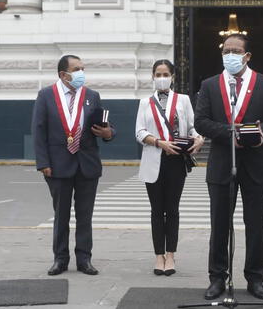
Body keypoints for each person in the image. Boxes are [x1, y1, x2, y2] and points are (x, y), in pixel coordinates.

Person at [194, 34, 263, 300]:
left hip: (257, 164)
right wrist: (228, 133)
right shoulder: (210, 85)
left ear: (247, 56)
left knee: (256, 225)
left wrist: (261, 131)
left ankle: (255, 278)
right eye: (226, 50)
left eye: (236, 50)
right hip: (223, 164)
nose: (230, 54)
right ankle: (217, 278)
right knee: (219, 224)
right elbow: (201, 121)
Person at [32, 54, 115, 276]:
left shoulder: (92, 96)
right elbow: (39, 131)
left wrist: (108, 133)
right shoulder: (46, 95)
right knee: (61, 215)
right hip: (57, 166)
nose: (81, 73)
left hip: (87, 165)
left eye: (83, 68)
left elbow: (106, 126)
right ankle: (60, 259)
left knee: (85, 215)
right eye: (76, 69)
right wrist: (43, 162)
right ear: (63, 74)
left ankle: (84, 259)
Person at [135, 59, 204, 276]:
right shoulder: (145, 103)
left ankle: (171, 255)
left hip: (176, 162)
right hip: (153, 161)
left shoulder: (183, 100)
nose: (162, 77)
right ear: (153, 76)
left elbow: (193, 128)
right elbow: (139, 132)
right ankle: (158, 255)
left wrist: (199, 139)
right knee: (157, 211)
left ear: (173, 76)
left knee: (172, 210)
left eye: (166, 74)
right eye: (158, 74)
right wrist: (158, 142)